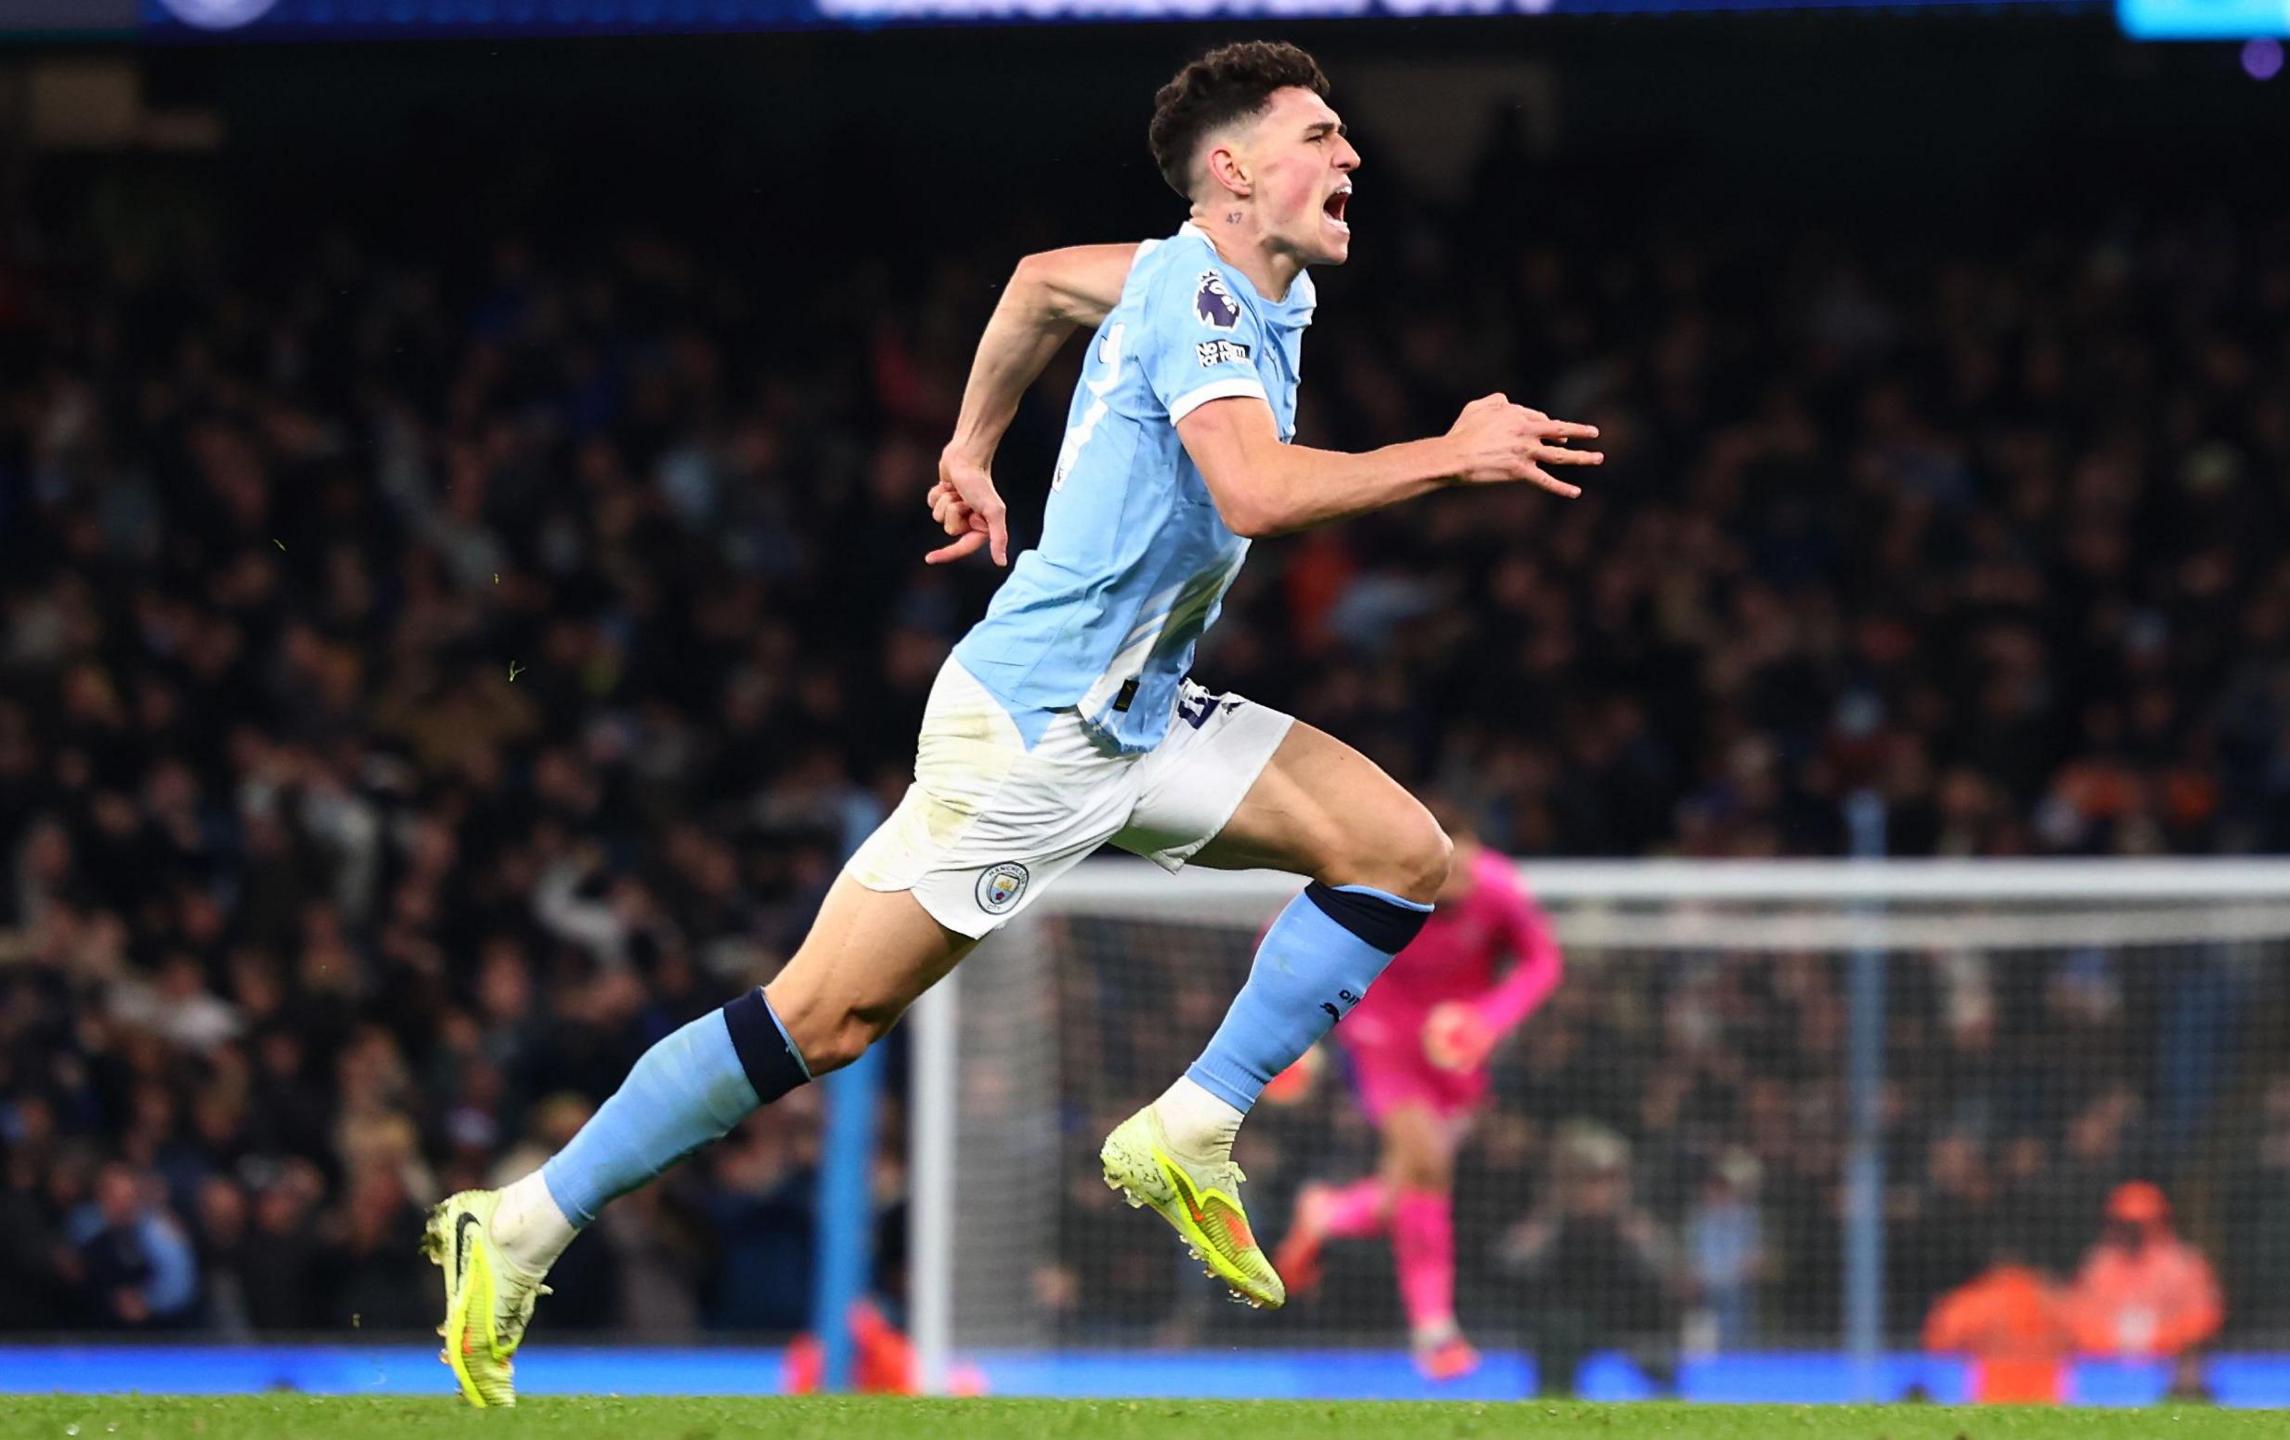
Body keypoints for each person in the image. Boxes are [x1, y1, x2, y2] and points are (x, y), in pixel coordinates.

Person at [418, 39, 1602, 1407]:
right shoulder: (1205, 303)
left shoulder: (1208, 279)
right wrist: (1452, 453)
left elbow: (1041, 285)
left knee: (1401, 851)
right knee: (823, 1018)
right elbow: (1255, 494)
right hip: (1038, 734)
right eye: (1320, 135)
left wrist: (970, 448)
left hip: (1143, 717)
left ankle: (1192, 1128)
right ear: (1234, 171)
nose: (1350, 157)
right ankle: (517, 1226)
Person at [1269, 820, 1563, 1379]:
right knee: (1427, 1167)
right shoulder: (1373, 870)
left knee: (1405, 1192)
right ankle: (1435, 1331)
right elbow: (1280, 933)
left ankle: (1329, 1213)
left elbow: (1542, 962)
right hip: (1380, 1038)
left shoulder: (1496, 887)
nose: (1460, 886)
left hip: (1456, 1052)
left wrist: (1488, 1020)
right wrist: (1293, 1033)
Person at [1497, 1124, 1681, 1399]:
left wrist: (1640, 1239)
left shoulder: (1636, 1224)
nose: (1600, 1189)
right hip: (1566, 1325)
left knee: (1660, 1360)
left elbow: (1673, 1272)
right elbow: (1508, 1262)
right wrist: (1547, 1227)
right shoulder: (1550, 1221)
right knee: (1557, 1339)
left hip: (1631, 1320)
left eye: (1609, 1179)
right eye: (1591, 1179)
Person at [2069, 1180, 2223, 1362]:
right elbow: (2078, 1317)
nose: (2133, 1233)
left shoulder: (2183, 1264)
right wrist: (2113, 1342)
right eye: (2125, 1223)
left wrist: (2158, 1340)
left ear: (2159, 1221)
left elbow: (2204, 1315)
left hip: (2170, 1366)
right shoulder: (2099, 1264)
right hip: (2107, 1366)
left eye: (2140, 1224)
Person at [1922, 1247, 2074, 1405]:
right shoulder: (2053, 1298)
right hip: (2048, 1399)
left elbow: (1939, 1343)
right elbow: (2095, 1341)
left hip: (1993, 1398)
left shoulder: (1974, 1300)